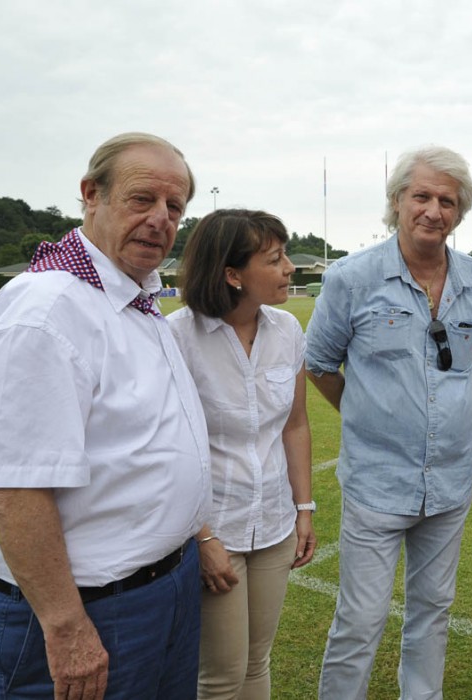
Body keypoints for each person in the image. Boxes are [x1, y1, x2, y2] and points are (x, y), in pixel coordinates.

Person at [0, 132, 210, 699]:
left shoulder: (131, 297)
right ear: (90, 195)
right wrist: (67, 628)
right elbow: (15, 490)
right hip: (89, 609)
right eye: (142, 199)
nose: (160, 220)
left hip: (160, 589)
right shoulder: (48, 311)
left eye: (175, 208)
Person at [305, 145, 472, 700]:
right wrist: (365, 414)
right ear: (397, 202)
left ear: (459, 212)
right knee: (361, 621)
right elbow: (319, 363)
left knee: (432, 613)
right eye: (422, 196)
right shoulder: (351, 277)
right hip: (375, 483)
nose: (434, 210)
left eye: (447, 200)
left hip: (449, 482)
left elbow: (471, 367)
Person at [168, 209, 318, 698]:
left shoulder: (287, 329)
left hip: (274, 523)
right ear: (232, 275)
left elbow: (294, 425)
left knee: (256, 663)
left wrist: (304, 508)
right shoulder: (177, 338)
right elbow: (171, 448)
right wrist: (204, 537)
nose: (290, 268)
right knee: (221, 676)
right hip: (214, 531)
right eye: (275, 259)